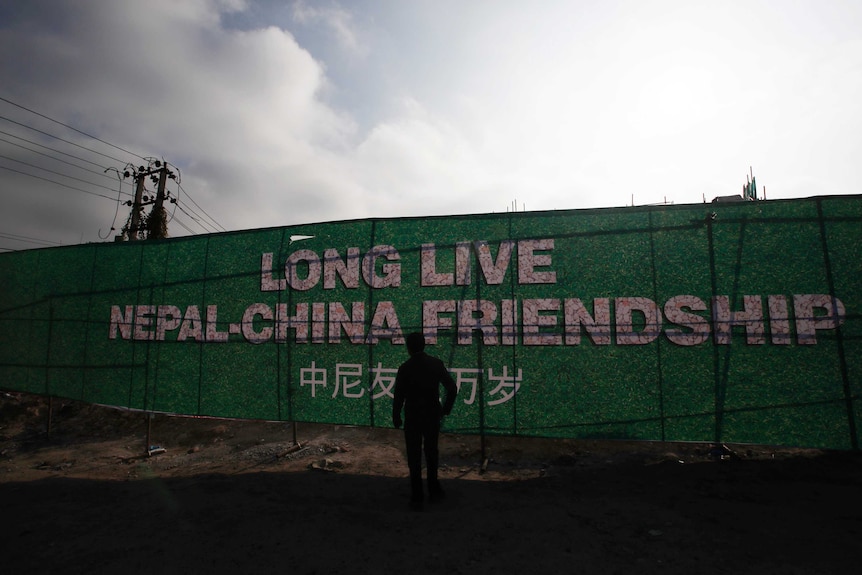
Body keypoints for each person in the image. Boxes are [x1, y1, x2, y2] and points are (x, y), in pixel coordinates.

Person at [392, 332, 457, 510]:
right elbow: (452, 388)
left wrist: (396, 416)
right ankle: (434, 490)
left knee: (413, 456)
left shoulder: (404, 368)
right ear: (424, 345)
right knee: (431, 453)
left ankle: (417, 495)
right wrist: (445, 409)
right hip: (431, 415)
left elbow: (398, 396)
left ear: (408, 347)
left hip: (413, 416)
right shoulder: (436, 364)